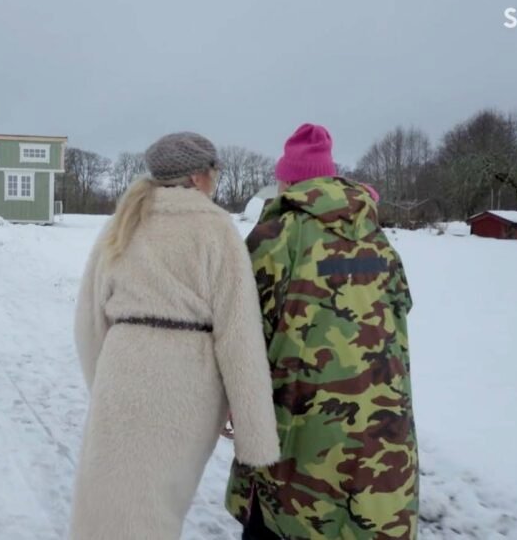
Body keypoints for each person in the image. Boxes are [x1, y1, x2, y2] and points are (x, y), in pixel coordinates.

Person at [71, 132, 280, 539]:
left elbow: (88, 322)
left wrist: (105, 386)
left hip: (121, 374)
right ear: (201, 176)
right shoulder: (218, 229)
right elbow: (239, 336)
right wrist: (255, 435)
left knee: (107, 510)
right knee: (157, 510)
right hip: (186, 389)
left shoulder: (122, 223)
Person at [225, 124, 418, 540]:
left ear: (289, 180)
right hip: (381, 436)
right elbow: (399, 314)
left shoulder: (273, 239)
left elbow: (235, 337)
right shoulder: (378, 239)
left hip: (297, 449)